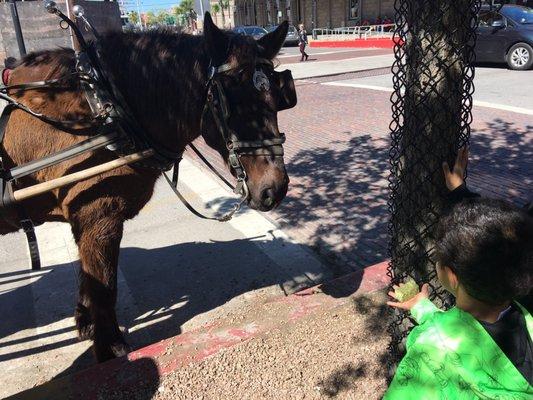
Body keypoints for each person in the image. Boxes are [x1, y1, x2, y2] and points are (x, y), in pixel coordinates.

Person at [384, 147, 533, 399]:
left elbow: (447, 341)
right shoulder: (526, 319)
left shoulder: (429, 352)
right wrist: (423, 308)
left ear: (451, 276)